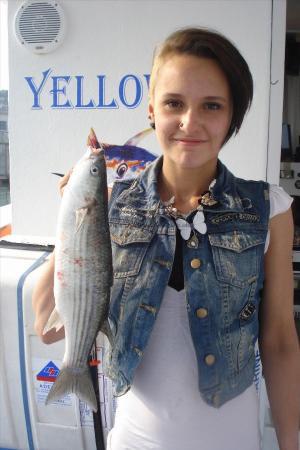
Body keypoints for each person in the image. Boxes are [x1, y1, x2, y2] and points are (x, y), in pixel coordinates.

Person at [32, 27, 300, 450]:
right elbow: (47, 327)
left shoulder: (270, 210)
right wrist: (76, 218)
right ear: (152, 110)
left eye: (211, 105)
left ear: (232, 116)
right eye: (174, 103)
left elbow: (281, 341)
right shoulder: (111, 205)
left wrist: (290, 442)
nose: (189, 122)